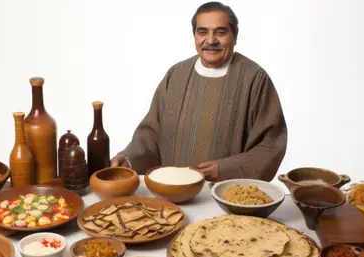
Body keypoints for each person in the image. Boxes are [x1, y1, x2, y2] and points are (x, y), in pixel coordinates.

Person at [111, 2, 287, 182]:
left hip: (224, 196)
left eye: (221, 32)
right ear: (194, 35)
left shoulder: (254, 79)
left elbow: (271, 144)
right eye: (202, 32)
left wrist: (226, 169)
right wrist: (129, 160)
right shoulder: (176, 74)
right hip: (172, 191)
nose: (210, 40)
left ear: (235, 36)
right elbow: (151, 131)